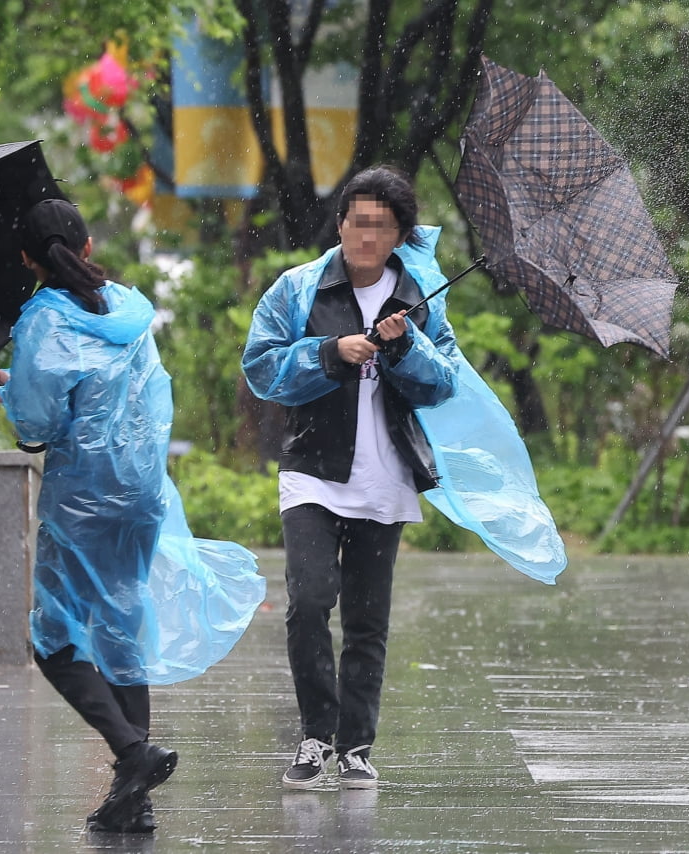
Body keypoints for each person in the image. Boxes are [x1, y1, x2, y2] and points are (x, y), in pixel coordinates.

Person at [0, 198, 264, 833]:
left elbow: (38, 425)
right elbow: (138, 399)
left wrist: (10, 391)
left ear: (28, 259)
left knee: (53, 641)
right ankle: (133, 806)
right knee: (119, 634)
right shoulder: (127, 310)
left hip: (82, 498)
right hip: (139, 495)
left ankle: (135, 756)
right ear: (85, 248)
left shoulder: (43, 324)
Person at [241, 166, 462, 790]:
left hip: (385, 474)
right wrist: (329, 353)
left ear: (399, 234)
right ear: (340, 224)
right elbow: (261, 369)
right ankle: (315, 736)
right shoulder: (298, 288)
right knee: (309, 600)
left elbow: (443, 382)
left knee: (368, 619)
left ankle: (356, 744)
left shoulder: (418, 296)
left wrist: (406, 347)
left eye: (382, 226)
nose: (368, 236)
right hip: (312, 471)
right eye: (358, 222)